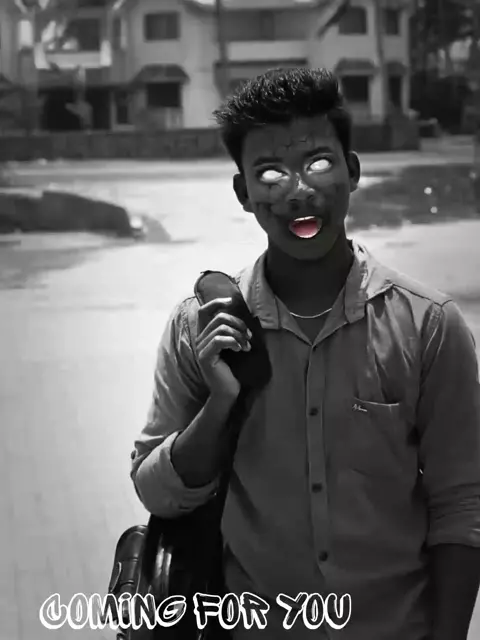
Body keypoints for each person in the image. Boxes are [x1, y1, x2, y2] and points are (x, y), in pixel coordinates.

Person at [130, 67, 480, 639]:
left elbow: (462, 505)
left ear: (353, 170)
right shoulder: (198, 328)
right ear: (243, 193)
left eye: (317, 162)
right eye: (269, 172)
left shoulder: (429, 326)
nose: (297, 190)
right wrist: (220, 405)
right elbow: (155, 492)